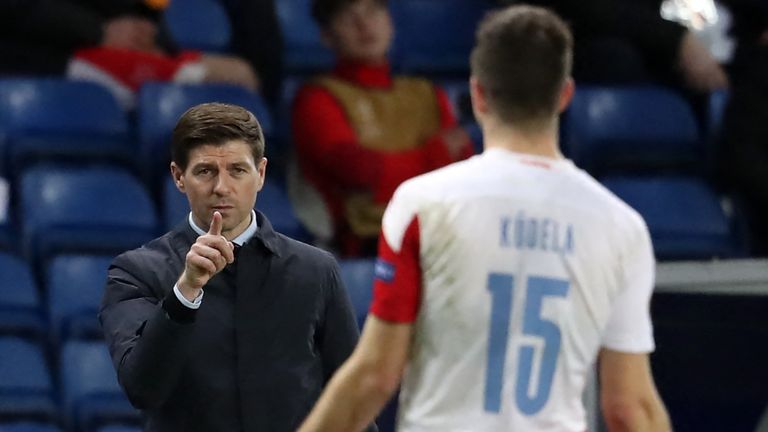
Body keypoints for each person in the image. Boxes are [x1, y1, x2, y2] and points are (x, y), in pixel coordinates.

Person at [298, 5, 671, 431]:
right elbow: (630, 408)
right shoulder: (621, 225)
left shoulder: (423, 204)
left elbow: (376, 376)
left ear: (477, 95)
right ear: (565, 95)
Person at [99, 102, 368, 431]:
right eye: (205, 171)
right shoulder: (135, 273)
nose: (221, 187)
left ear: (261, 174)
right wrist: (185, 293)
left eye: (237, 170)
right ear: (178, 177)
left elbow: (351, 400)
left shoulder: (316, 270)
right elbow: (142, 388)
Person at [289, 0, 474, 257]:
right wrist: (435, 154)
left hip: (438, 234)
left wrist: (392, 170)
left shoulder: (427, 94)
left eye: (373, 11)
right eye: (348, 16)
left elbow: (460, 172)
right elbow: (358, 173)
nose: (364, 25)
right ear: (327, 37)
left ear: (390, 22)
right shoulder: (316, 99)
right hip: (366, 244)